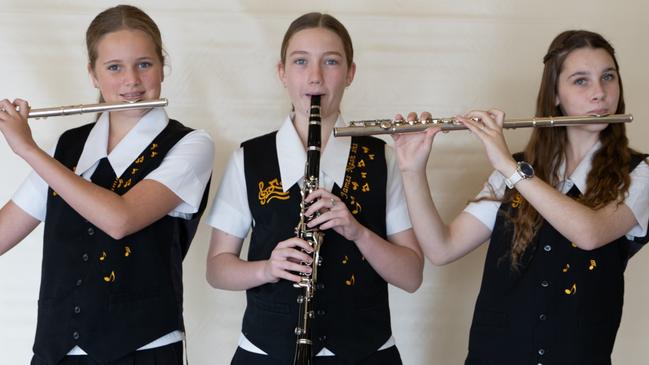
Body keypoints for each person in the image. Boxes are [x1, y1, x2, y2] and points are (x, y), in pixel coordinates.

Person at [393, 30, 649, 364]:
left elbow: (590, 233)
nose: (599, 93)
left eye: (608, 77)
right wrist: (412, 171)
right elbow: (442, 248)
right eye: (581, 81)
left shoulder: (638, 173)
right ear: (555, 94)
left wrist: (507, 165)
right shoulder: (514, 171)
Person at [0, 5, 213, 365]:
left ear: (162, 66)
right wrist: (38, 153)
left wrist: (26, 149)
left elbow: (121, 220)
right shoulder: (67, 147)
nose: (131, 81)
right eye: (114, 67)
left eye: (144, 64)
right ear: (93, 75)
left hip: (143, 351)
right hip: (57, 352)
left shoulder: (191, 145)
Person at [205, 11, 423, 365]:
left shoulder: (381, 157)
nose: (315, 77)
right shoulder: (250, 158)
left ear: (350, 73)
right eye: (301, 61)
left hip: (365, 353)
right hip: (267, 352)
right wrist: (268, 268)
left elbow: (412, 276)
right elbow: (216, 269)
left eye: (331, 62)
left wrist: (358, 232)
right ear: (282, 73)